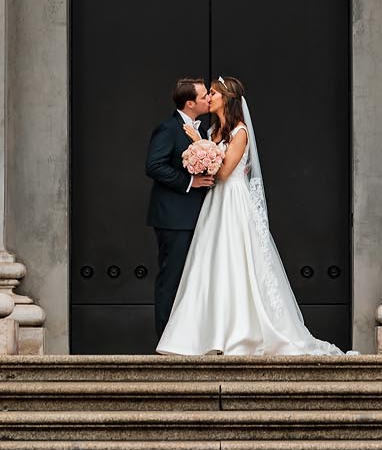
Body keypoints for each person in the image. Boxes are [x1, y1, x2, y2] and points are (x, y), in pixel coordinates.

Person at [157, 74, 343, 357]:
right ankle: (204, 334)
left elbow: (223, 172)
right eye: (208, 94)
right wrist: (203, 145)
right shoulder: (212, 132)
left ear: (227, 100)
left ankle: (241, 333)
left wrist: (198, 145)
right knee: (211, 263)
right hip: (215, 204)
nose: (210, 98)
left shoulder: (239, 132)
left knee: (237, 261)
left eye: (215, 94)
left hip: (233, 200)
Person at [145, 76, 214, 340]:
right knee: (171, 279)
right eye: (204, 95)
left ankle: (186, 338)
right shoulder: (168, 129)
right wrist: (190, 181)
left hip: (197, 217)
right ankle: (165, 339)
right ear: (189, 103)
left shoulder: (203, 130)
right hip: (173, 218)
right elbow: (154, 166)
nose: (208, 98)